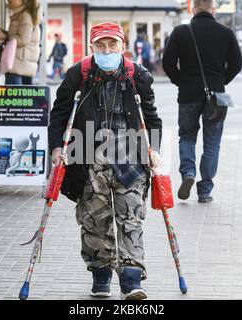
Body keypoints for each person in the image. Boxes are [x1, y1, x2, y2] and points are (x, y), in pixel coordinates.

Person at [48, 22, 162, 300]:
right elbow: (59, 113)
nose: (106, 50)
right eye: (100, 45)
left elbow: (151, 116)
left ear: (122, 46)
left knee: (130, 218)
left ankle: (132, 279)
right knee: (94, 221)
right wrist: (55, 148)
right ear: (92, 47)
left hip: (130, 157)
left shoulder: (138, 75)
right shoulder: (79, 73)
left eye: (112, 45)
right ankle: (101, 276)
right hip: (87, 156)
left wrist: (155, 149)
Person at [162, 0, 242, 203]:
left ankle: (188, 173)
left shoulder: (181, 32)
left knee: (187, 137)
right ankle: (205, 190)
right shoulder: (226, 33)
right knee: (212, 144)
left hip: (188, 94)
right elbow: (237, 63)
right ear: (213, 9)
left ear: (193, 8)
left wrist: (182, 81)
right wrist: (221, 81)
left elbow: (167, 63)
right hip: (216, 97)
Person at [0, 0, 41, 85]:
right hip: (21, 65)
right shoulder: (21, 15)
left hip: (18, 66)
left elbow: (23, 39)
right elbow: (19, 35)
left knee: (14, 96)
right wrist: (4, 33)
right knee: (22, 97)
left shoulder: (25, 16)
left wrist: (5, 37)